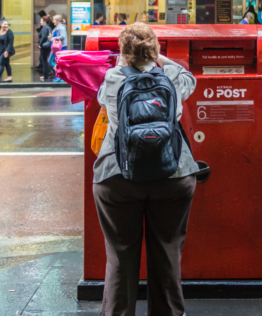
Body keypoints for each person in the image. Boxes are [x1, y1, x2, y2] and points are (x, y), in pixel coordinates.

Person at [94, 22, 198, 316]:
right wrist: (158, 60)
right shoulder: (172, 78)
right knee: (167, 253)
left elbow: (101, 97)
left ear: (124, 53)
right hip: (173, 174)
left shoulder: (113, 78)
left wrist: (124, 62)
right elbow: (190, 79)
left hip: (117, 175)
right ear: (155, 49)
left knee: (119, 256)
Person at [38, 16, 53, 82]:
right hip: (48, 46)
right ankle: (49, 72)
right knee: (46, 60)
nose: (40, 22)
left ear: (44, 21)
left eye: (41, 21)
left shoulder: (44, 28)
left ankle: (45, 76)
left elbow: (43, 37)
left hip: (44, 46)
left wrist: (40, 44)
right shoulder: (49, 27)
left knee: (44, 61)